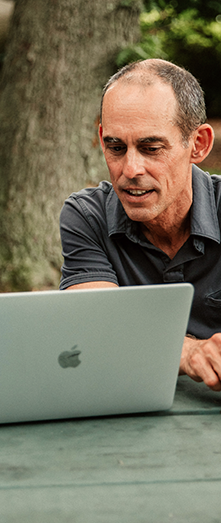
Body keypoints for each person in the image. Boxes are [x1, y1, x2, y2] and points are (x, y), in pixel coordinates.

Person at [59, 58, 221, 391]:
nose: (130, 169)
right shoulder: (88, 216)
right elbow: (95, 327)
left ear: (199, 144)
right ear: (101, 138)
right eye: (116, 147)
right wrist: (189, 351)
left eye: (151, 148)